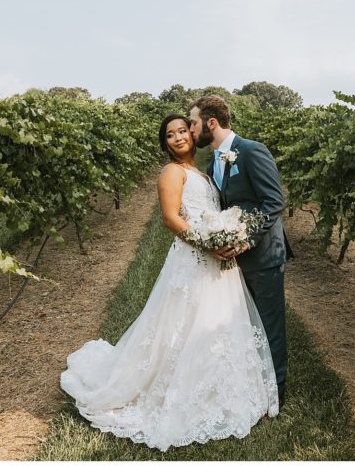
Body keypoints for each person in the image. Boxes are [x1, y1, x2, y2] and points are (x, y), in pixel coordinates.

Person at [59, 114, 278, 452]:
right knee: (181, 324)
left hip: (218, 260)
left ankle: (221, 387)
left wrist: (226, 235)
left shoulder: (203, 174)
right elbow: (170, 218)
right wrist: (208, 243)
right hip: (193, 258)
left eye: (182, 131)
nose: (177, 138)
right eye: (170, 135)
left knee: (220, 322)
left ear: (192, 135)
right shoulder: (172, 172)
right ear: (165, 144)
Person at [189, 94, 292, 405]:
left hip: (262, 254)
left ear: (211, 122)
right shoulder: (212, 161)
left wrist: (246, 238)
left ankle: (276, 395)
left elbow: (274, 201)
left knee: (270, 325)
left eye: (193, 123)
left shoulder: (251, 151)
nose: (191, 130)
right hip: (234, 259)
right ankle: (251, 385)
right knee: (248, 324)